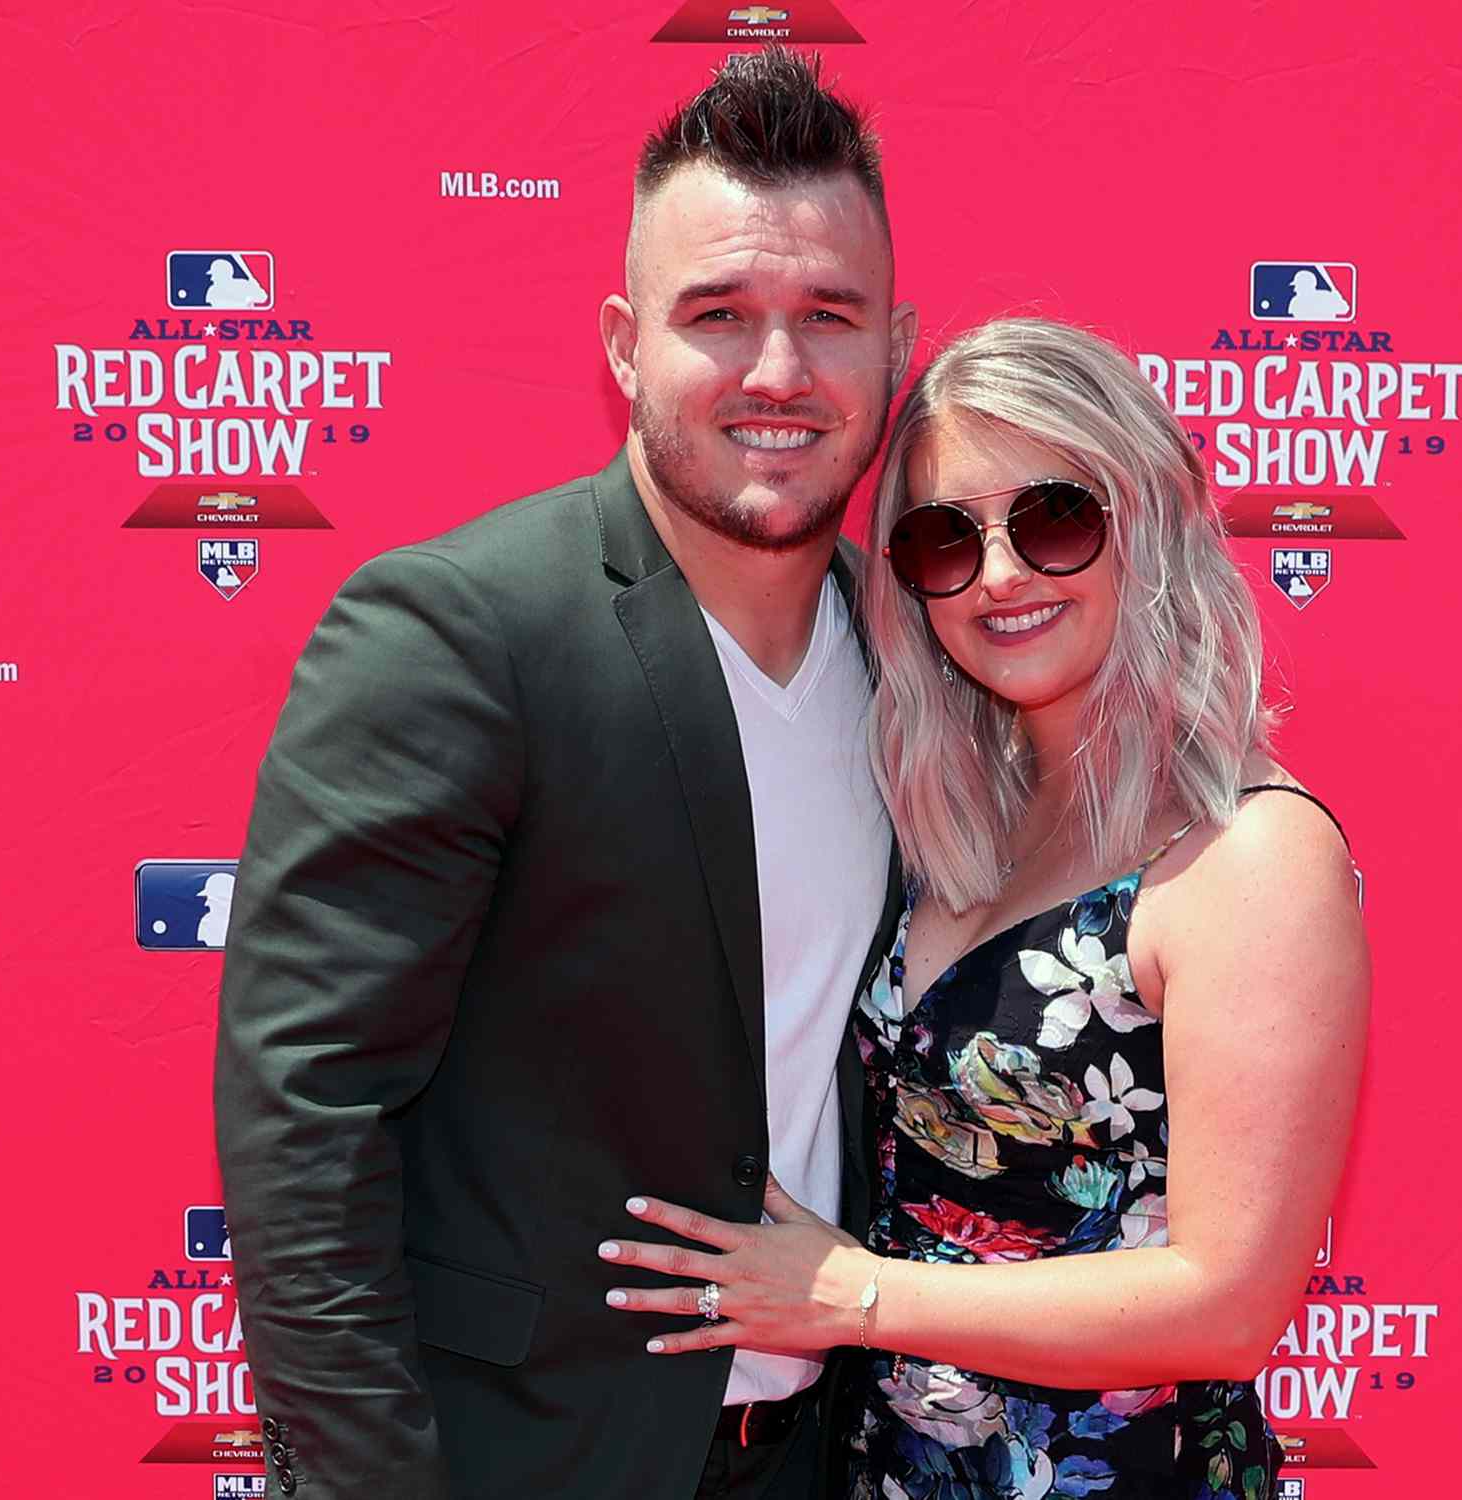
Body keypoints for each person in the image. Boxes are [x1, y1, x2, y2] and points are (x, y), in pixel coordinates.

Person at [213, 48, 916, 1500]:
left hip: (825, 1463)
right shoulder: (459, 631)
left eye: (828, 318)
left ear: (895, 347)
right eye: (717, 315)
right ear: (621, 343)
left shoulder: (921, 661)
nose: (777, 373)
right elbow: (309, 1110)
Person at [601, 319, 1370, 1499]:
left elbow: (1224, 1303)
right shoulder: (962, 824)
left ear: (1147, 522)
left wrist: (848, 1293)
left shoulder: (1249, 855)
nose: (1000, 574)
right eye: (942, 538)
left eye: (1052, 519)